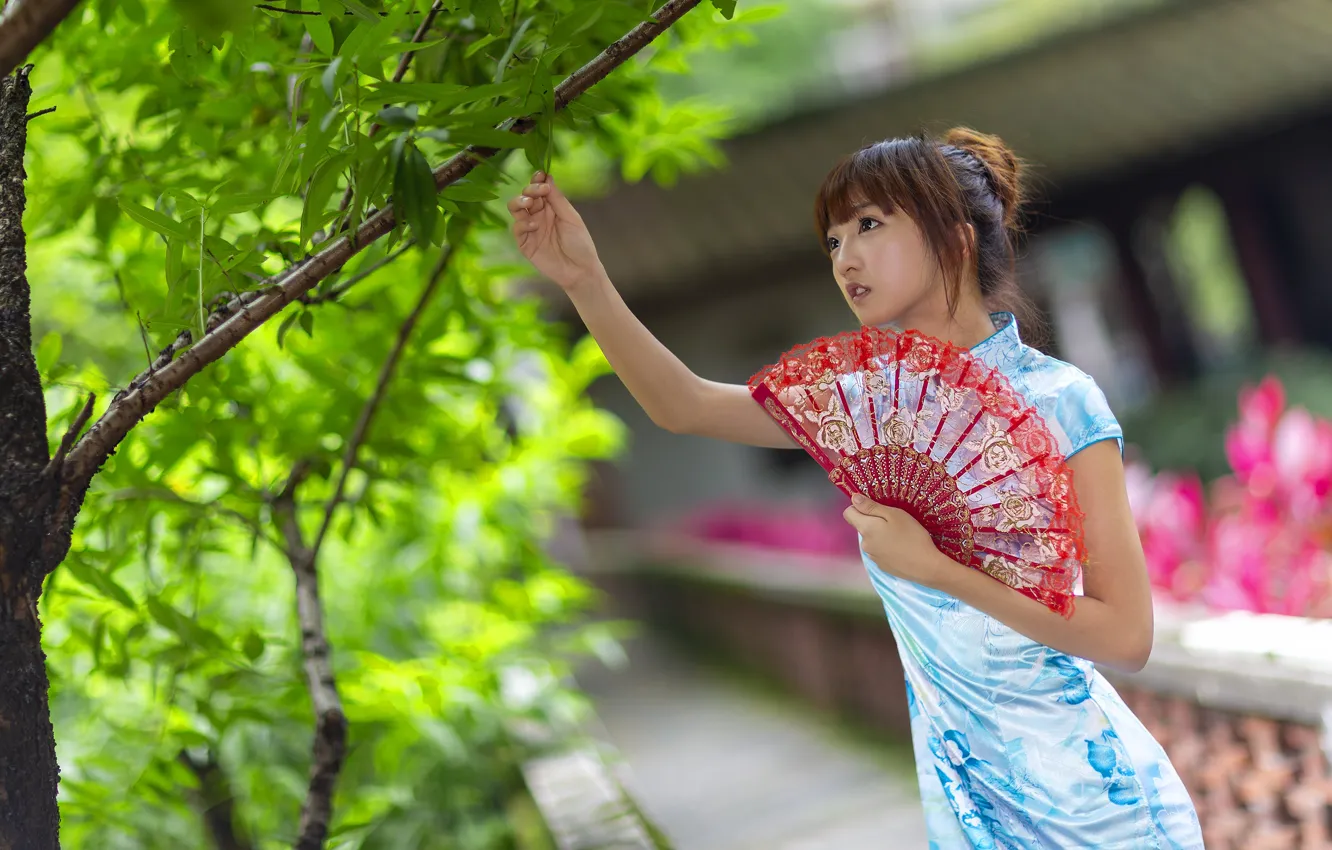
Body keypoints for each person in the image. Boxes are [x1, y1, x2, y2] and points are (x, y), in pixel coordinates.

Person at [507, 127, 1205, 849]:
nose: (846, 258)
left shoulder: (1062, 402)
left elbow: (1126, 636)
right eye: (833, 241)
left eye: (869, 224)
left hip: (1102, 812)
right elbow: (681, 404)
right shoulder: (866, 410)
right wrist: (583, 278)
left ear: (955, 239)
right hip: (971, 817)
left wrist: (934, 568)